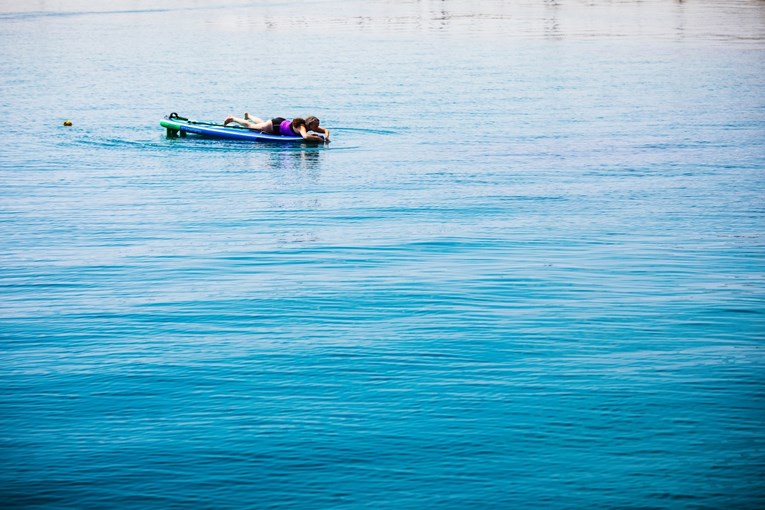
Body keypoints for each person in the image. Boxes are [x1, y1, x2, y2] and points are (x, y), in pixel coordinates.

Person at [223, 113, 329, 142]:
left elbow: (325, 130)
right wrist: (318, 138)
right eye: (316, 126)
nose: (317, 128)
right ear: (309, 124)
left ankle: (249, 116)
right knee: (252, 127)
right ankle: (232, 118)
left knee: (262, 124)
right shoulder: (302, 127)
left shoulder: (311, 127)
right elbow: (305, 137)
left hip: (281, 123)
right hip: (276, 125)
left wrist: (327, 137)